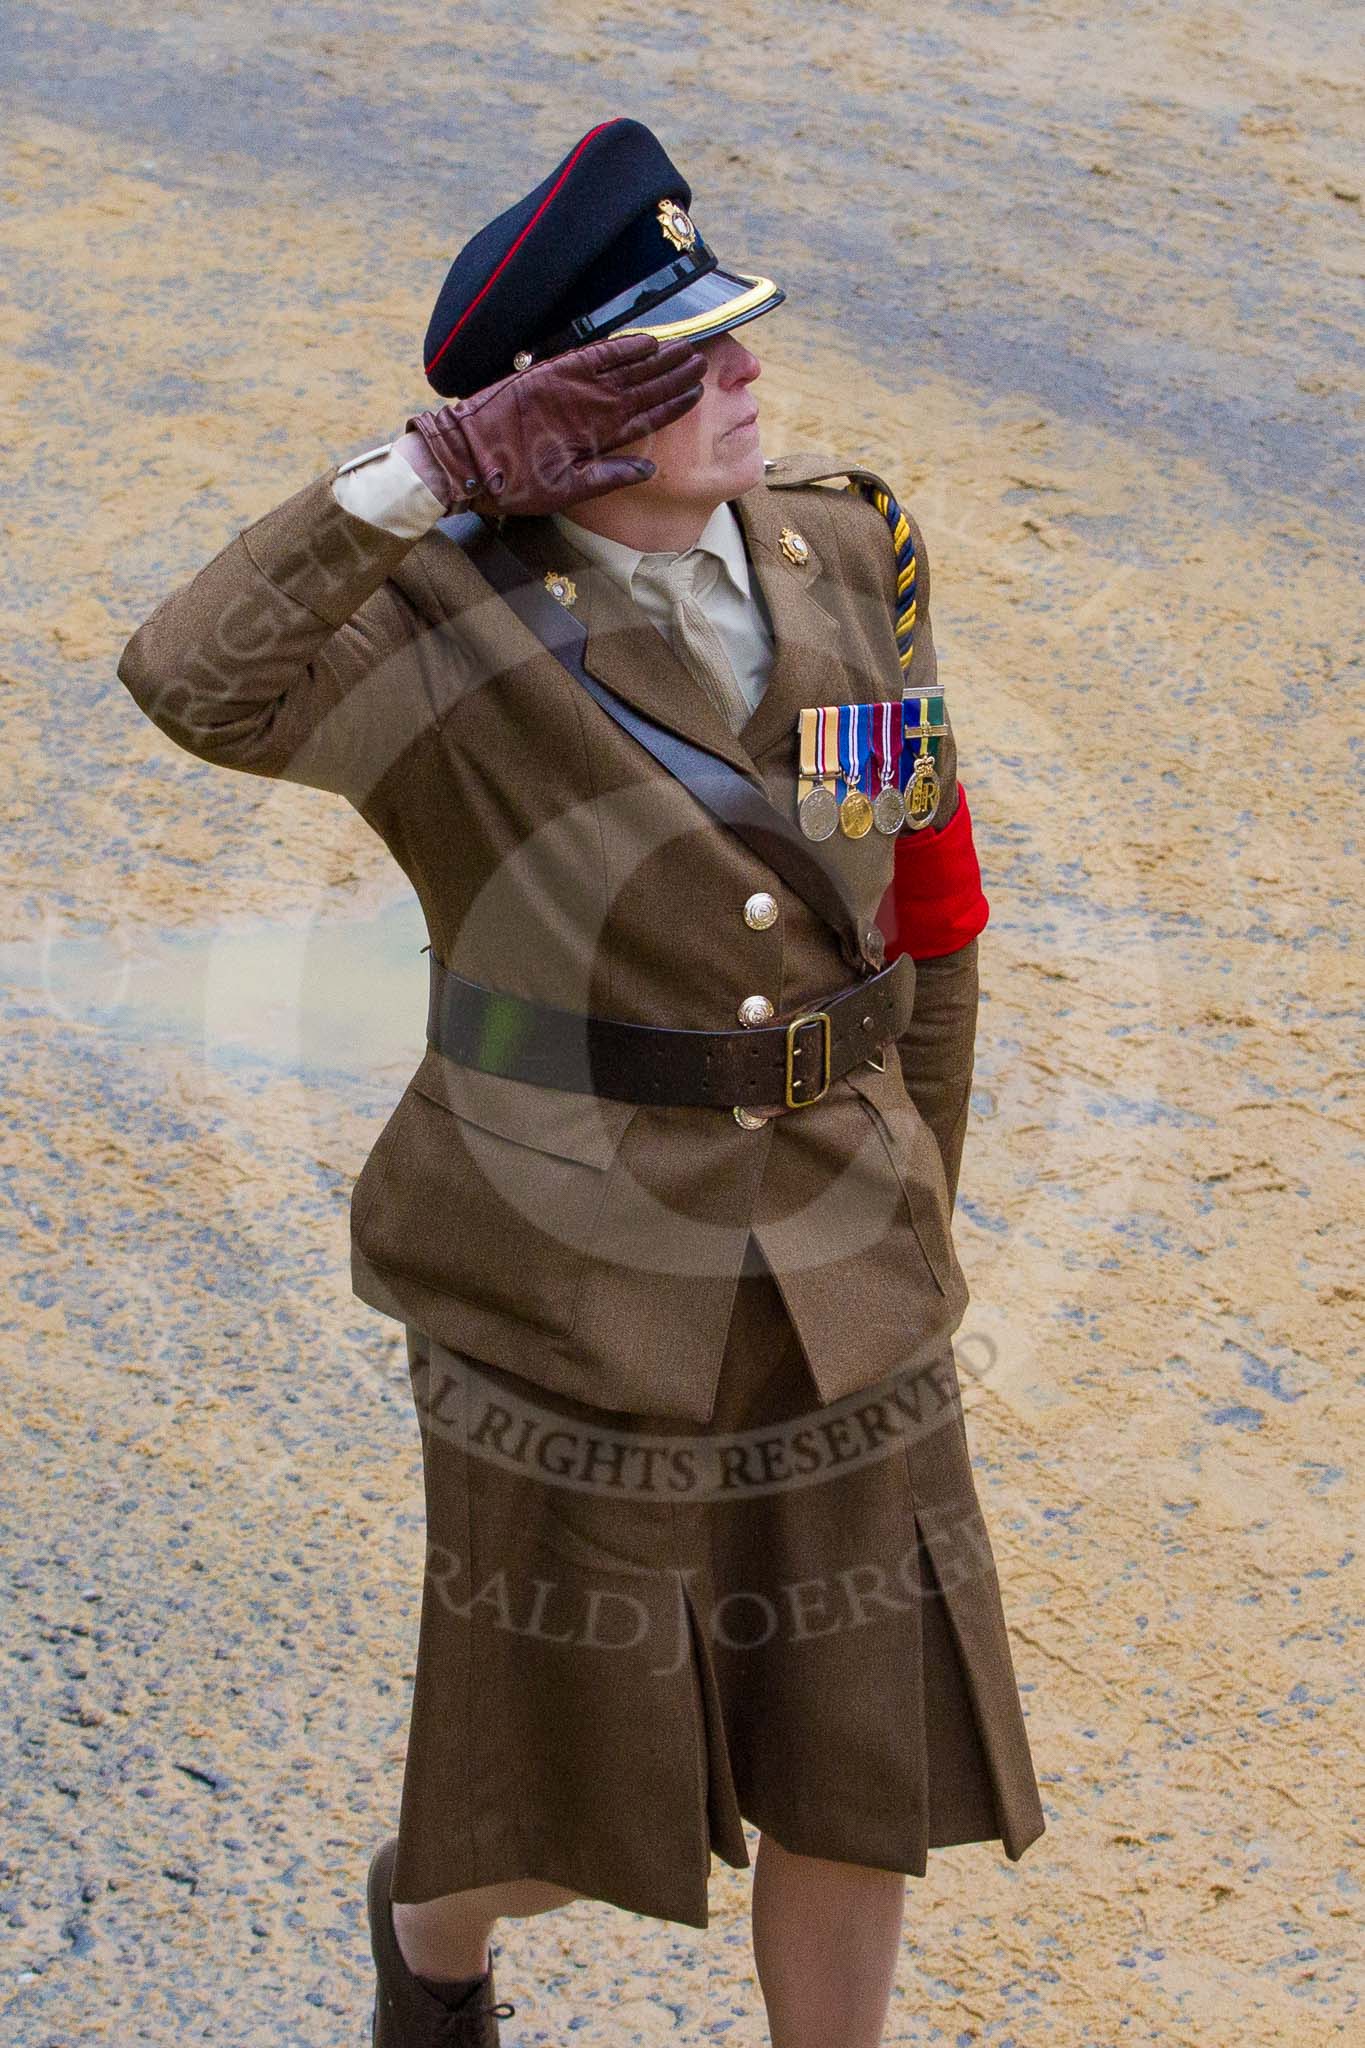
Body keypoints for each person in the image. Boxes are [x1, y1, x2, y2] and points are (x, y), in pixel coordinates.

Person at [116, 116, 1046, 2048]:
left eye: (737, 336)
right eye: (678, 359)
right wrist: (421, 475)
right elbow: (189, 679)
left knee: (863, 1754)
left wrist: (916, 1196)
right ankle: (431, 1947)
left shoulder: (842, 545)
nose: (743, 378)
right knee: (562, 1792)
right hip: (560, 1277)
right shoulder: (426, 617)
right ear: (554, 410)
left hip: (845, 1251)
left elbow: (923, 905)